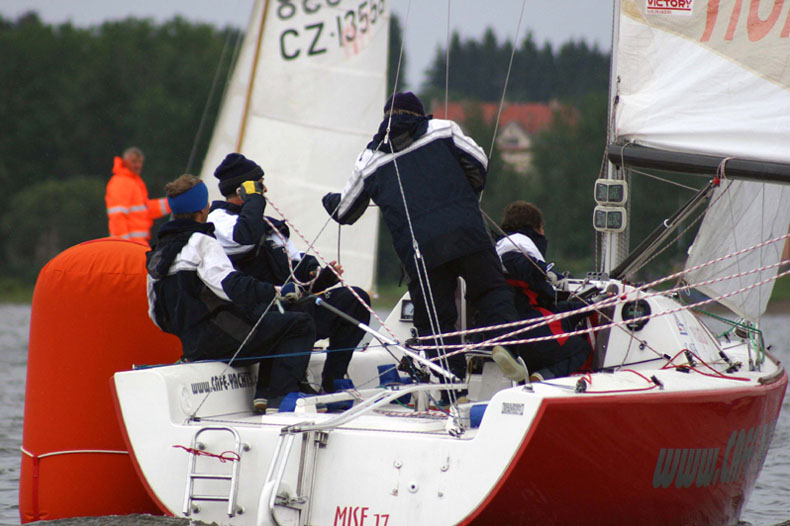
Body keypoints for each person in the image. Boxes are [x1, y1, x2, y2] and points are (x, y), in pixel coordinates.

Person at [322, 91, 520, 382]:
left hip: (420, 251)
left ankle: (450, 384)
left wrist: (328, 199)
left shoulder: (369, 159)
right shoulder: (443, 129)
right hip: (467, 231)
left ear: (385, 120)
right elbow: (480, 164)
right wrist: (465, 194)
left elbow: (344, 212)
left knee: (435, 319)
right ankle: (505, 344)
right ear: (419, 114)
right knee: (490, 289)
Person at [146, 174, 316, 413]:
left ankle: (268, 394)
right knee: (300, 323)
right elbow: (230, 285)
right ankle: (279, 398)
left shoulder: (157, 254)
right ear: (203, 208)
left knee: (271, 322)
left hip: (192, 345)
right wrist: (276, 291)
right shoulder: (202, 242)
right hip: (226, 339)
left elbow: (155, 315)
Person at [207, 153, 371, 393]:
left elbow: (297, 264)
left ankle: (333, 381)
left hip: (290, 307)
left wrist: (318, 275)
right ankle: (278, 391)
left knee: (354, 300)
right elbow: (245, 239)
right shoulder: (217, 221)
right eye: (260, 184)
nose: (265, 190)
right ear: (244, 189)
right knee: (295, 318)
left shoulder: (270, 226)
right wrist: (254, 201)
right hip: (255, 318)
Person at [495, 200, 592, 381]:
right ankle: (541, 378)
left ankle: (535, 377)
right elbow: (515, 261)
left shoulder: (496, 249)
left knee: (562, 321)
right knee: (581, 348)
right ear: (536, 228)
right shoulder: (516, 247)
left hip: (504, 329)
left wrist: (590, 306)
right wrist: (544, 271)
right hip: (530, 330)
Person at [106, 147, 170, 245]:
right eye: (134, 161)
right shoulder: (121, 182)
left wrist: (174, 202)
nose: (138, 165)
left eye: (140, 162)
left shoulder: (133, 181)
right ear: (124, 162)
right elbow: (117, 216)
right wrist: (124, 244)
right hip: (130, 244)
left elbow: (146, 209)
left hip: (137, 243)